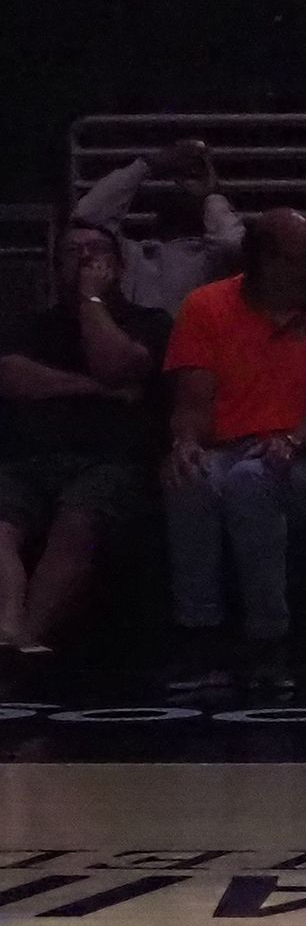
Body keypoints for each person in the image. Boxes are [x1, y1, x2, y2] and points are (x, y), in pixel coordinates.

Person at [161, 207, 306, 681]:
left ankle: (267, 634)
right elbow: (193, 399)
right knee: (190, 476)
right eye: (303, 259)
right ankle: (199, 628)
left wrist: (292, 441)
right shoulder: (205, 306)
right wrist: (186, 443)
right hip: (225, 448)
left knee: (251, 481)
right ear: (263, 262)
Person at [0, 224, 165, 658]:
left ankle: (27, 639)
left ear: (118, 264)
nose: (85, 260)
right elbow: (15, 377)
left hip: (110, 461)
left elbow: (116, 365)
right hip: (30, 458)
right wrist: (98, 390)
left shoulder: (149, 322)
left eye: (96, 251)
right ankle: (8, 628)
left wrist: (92, 299)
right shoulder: (33, 325)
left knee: (78, 521)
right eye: (73, 252)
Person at [73, 137, 240, 316]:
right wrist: (148, 164)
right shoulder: (131, 256)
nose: (178, 201)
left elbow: (230, 243)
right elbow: (88, 216)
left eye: (189, 200)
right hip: (133, 339)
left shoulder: (209, 261)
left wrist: (211, 193)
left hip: (191, 340)